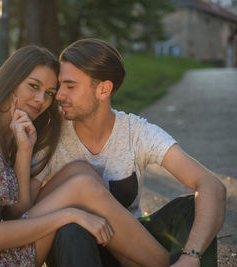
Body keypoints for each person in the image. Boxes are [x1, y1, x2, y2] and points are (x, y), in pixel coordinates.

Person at [0, 45, 171, 267]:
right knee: (80, 186)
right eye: (33, 86)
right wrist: (70, 214)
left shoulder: (5, 131)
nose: (41, 100)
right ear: (10, 81)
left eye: (49, 92)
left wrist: (24, 151)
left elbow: (18, 214)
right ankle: (165, 261)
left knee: (79, 171)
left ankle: (151, 259)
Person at [31, 38, 226, 267]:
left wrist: (191, 255)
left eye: (70, 86)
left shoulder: (136, 132)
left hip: (133, 250)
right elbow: (24, 215)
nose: (59, 95)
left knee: (192, 208)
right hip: (78, 251)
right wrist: (25, 151)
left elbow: (212, 186)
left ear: (104, 89)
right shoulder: (52, 138)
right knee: (69, 230)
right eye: (60, 85)